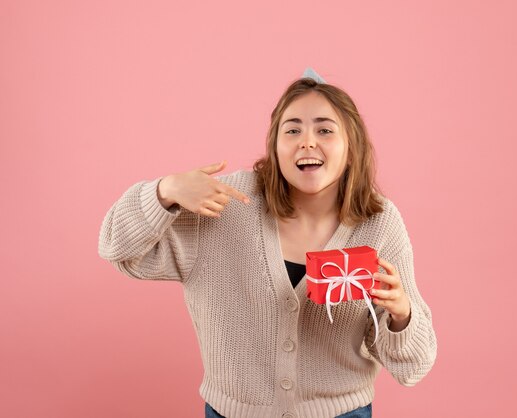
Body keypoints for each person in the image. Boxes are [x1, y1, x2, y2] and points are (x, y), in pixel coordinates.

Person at [98, 68, 437, 418]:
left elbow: (414, 367)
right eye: (292, 130)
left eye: (324, 129)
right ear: (275, 147)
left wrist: (401, 314)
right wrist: (164, 191)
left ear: (351, 148)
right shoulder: (225, 205)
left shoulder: (378, 223)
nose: (307, 141)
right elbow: (116, 246)